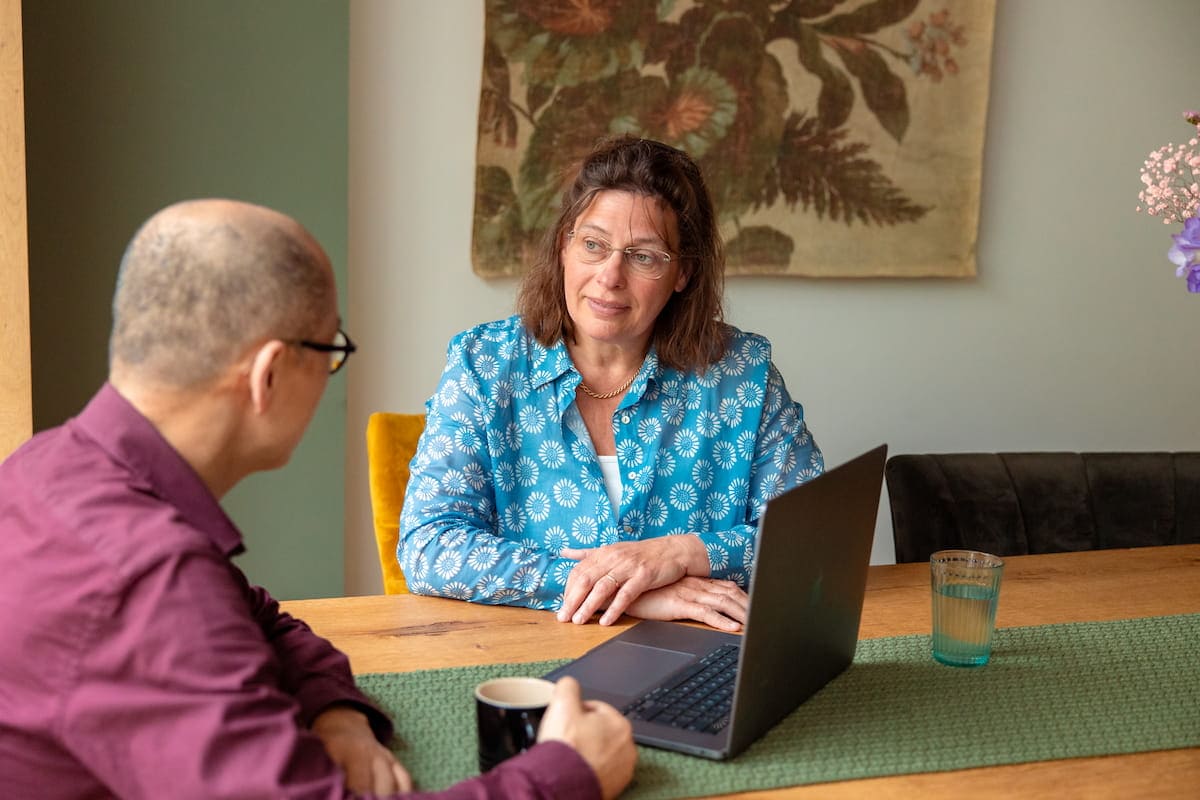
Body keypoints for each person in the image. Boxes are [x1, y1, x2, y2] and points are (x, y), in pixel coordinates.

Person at [0, 199, 636, 799]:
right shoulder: (150, 579)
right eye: (332, 351)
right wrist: (565, 773)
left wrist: (335, 713)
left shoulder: (48, 467)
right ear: (268, 374)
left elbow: (259, 621)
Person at [400, 137, 824, 631]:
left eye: (643, 256)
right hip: (525, 660)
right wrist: (624, 592)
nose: (609, 277)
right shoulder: (483, 365)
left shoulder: (743, 375)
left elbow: (814, 539)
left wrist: (682, 553)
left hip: (702, 661)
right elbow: (429, 545)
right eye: (593, 245)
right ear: (564, 245)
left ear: (682, 272)